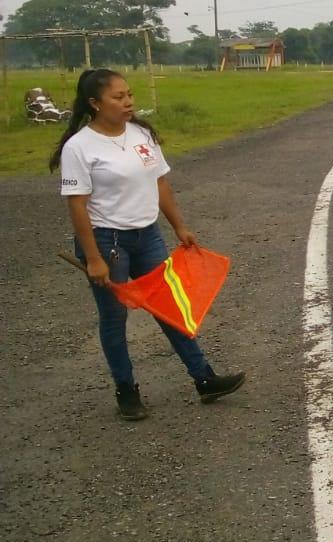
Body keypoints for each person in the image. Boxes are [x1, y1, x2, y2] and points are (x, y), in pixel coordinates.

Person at [53, 69, 246, 421]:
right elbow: (77, 205)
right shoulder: (80, 147)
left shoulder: (142, 134)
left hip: (148, 235)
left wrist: (180, 227)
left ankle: (204, 379)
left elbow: (160, 184)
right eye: (118, 97)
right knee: (114, 317)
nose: (128, 102)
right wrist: (94, 259)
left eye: (129, 95)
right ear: (95, 103)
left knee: (170, 306)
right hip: (107, 241)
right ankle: (126, 391)